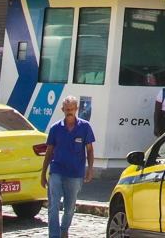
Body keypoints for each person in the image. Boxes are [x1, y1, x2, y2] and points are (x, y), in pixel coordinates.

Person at [40, 94, 95, 238]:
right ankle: (54, 235)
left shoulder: (85, 127)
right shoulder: (55, 128)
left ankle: (64, 229)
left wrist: (90, 169)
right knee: (53, 205)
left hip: (75, 173)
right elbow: (49, 151)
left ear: (77, 109)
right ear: (62, 109)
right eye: (66, 109)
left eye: (72, 109)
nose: (69, 112)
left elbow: (89, 150)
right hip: (56, 170)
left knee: (69, 208)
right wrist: (43, 174)